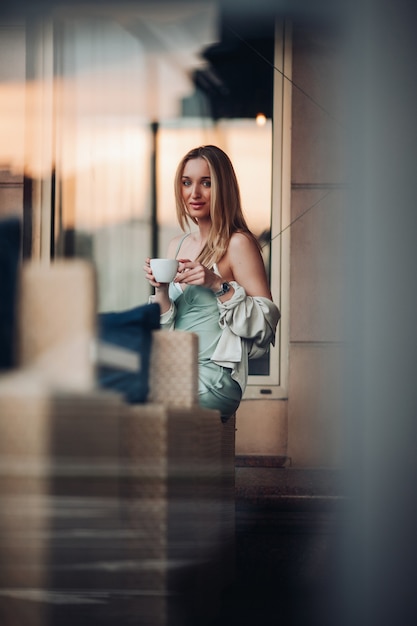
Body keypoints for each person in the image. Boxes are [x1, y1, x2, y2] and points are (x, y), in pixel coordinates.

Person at [144, 145, 280, 420]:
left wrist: (217, 284)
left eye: (206, 183)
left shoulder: (238, 243)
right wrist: (160, 290)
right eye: (187, 183)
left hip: (215, 378)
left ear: (223, 188)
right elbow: (166, 327)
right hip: (174, 370)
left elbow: (266, 325)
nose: (194, 193)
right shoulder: (177, 245)